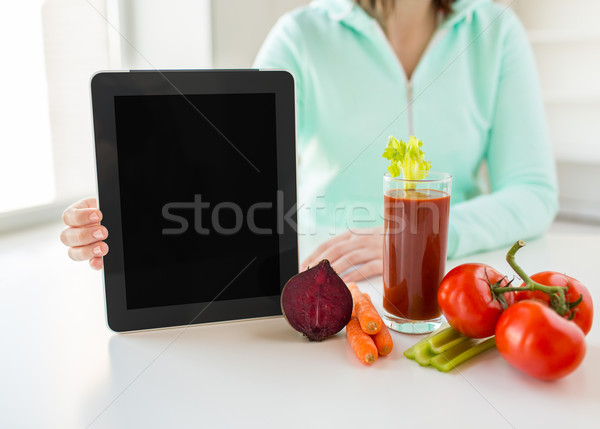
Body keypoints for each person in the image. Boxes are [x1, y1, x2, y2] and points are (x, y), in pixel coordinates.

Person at [60, 0, 557, 282]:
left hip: (448, 279)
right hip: (327, 280)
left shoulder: (493, 31)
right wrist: (132, 217)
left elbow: (532, 191)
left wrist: (418, 242)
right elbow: (228, 177)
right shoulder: (299, 37)